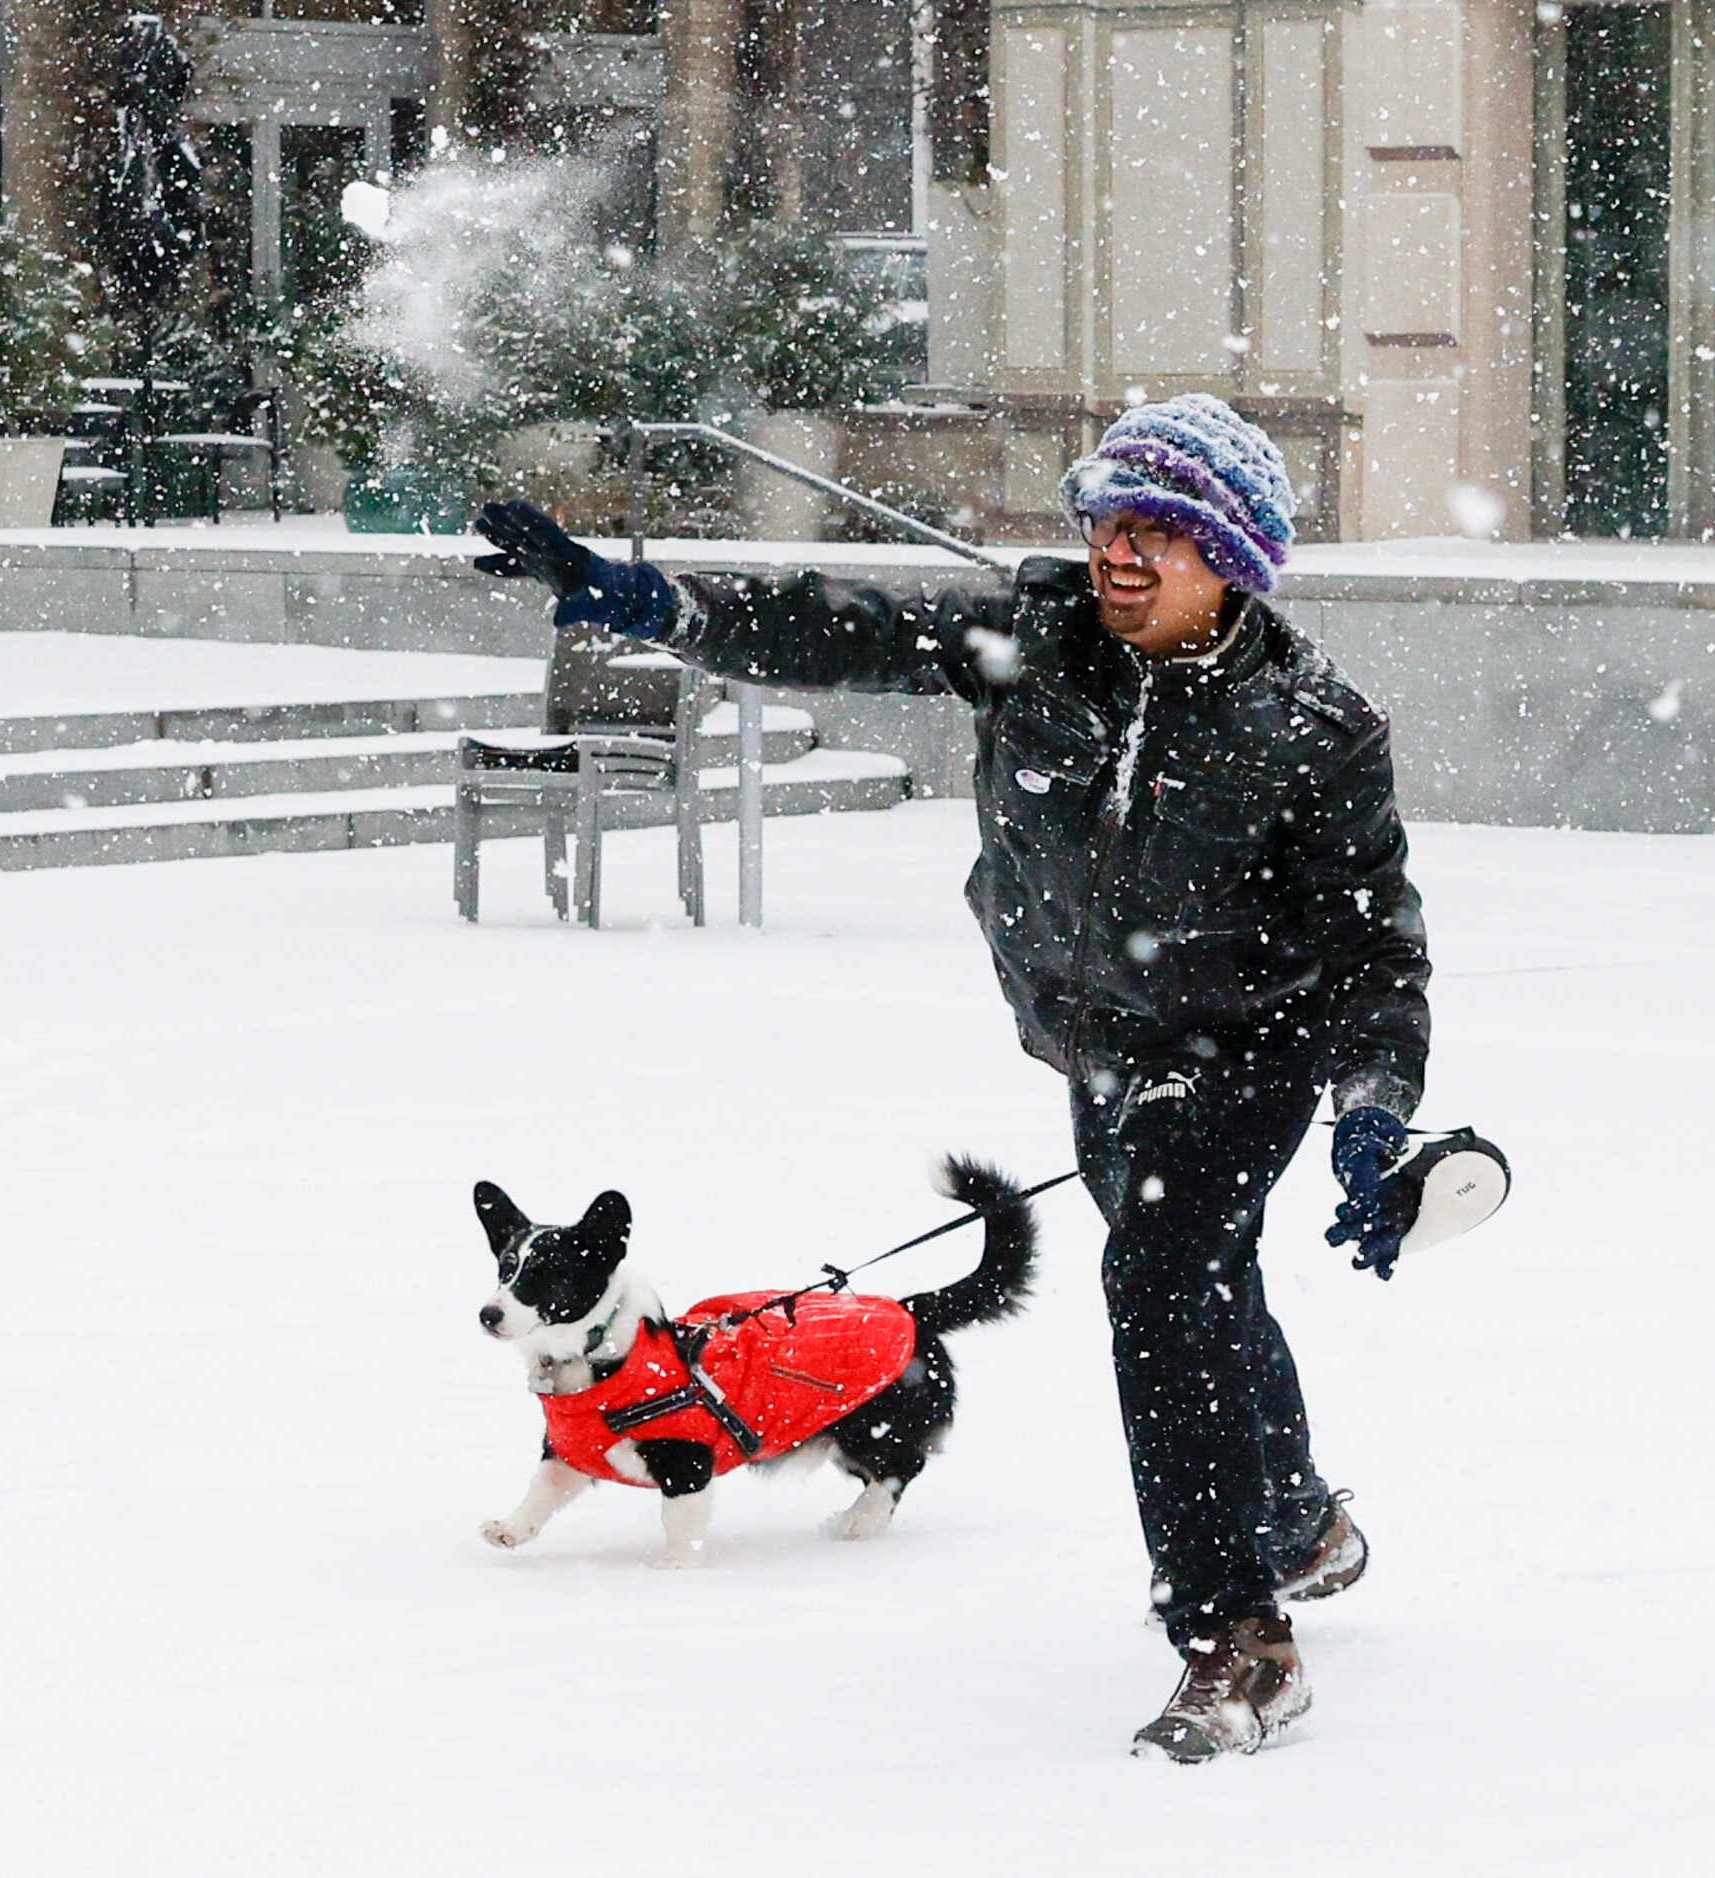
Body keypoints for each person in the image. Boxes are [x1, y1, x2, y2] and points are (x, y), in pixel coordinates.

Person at [472, 393, 1432, 1763]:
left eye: (1164, 531)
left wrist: (1375, 1105)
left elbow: (1374, 950)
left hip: (1241, 1057)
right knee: (1206, 1281)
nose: (1121, 552)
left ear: (1234, 558)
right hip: (1094, 1047)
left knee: (1162, 1279)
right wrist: (653, 599)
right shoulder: (1032, 645)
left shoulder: (1315, 731)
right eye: (1110, 518)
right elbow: (832, 624)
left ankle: (1237, 1636)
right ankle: (1295, 1519)